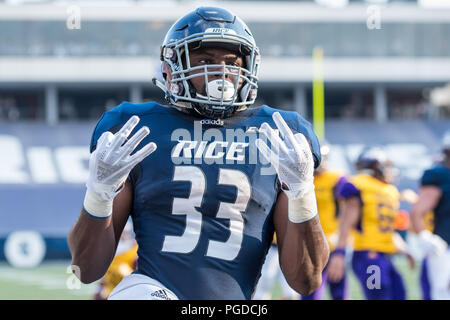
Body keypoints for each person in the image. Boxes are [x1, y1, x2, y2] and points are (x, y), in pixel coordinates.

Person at [68, 7, 329, 300]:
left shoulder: (279, 132)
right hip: (153, 290)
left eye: (231, 62)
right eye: (205, 60)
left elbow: (306, 281)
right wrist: (99, 192)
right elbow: (85, 270)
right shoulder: (135, 127)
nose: (221, 72)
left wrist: (302, 193)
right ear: (171, 69)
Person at [327, 147, 413, 300]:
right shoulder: (360, 185)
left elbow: (386, 230)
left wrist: (404, 250)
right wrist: (339, 253)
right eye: (385, 166)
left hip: (384, 256)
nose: (389, 170)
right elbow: (346, 222)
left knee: (399, 293)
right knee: (378, 296)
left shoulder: (389, 190)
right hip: (367, 255)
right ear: (376, 166)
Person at [301, 141, 349, 300]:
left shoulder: (336, 179)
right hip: (308, 245)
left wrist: (342, 243)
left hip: (331, 243)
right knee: (310, 294)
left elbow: (347, 211)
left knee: (339, 293)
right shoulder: (301, 178)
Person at [410, 131, 450, 300]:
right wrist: (425, 236)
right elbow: (418, 212)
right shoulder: (440, 175)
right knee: (442, 292)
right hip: (445, 244)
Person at [93, 221, 138, 300]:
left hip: (128, 294)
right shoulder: (107, 251)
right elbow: (103, 279)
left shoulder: (135, 251)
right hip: (110, 294)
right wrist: (98, 292)